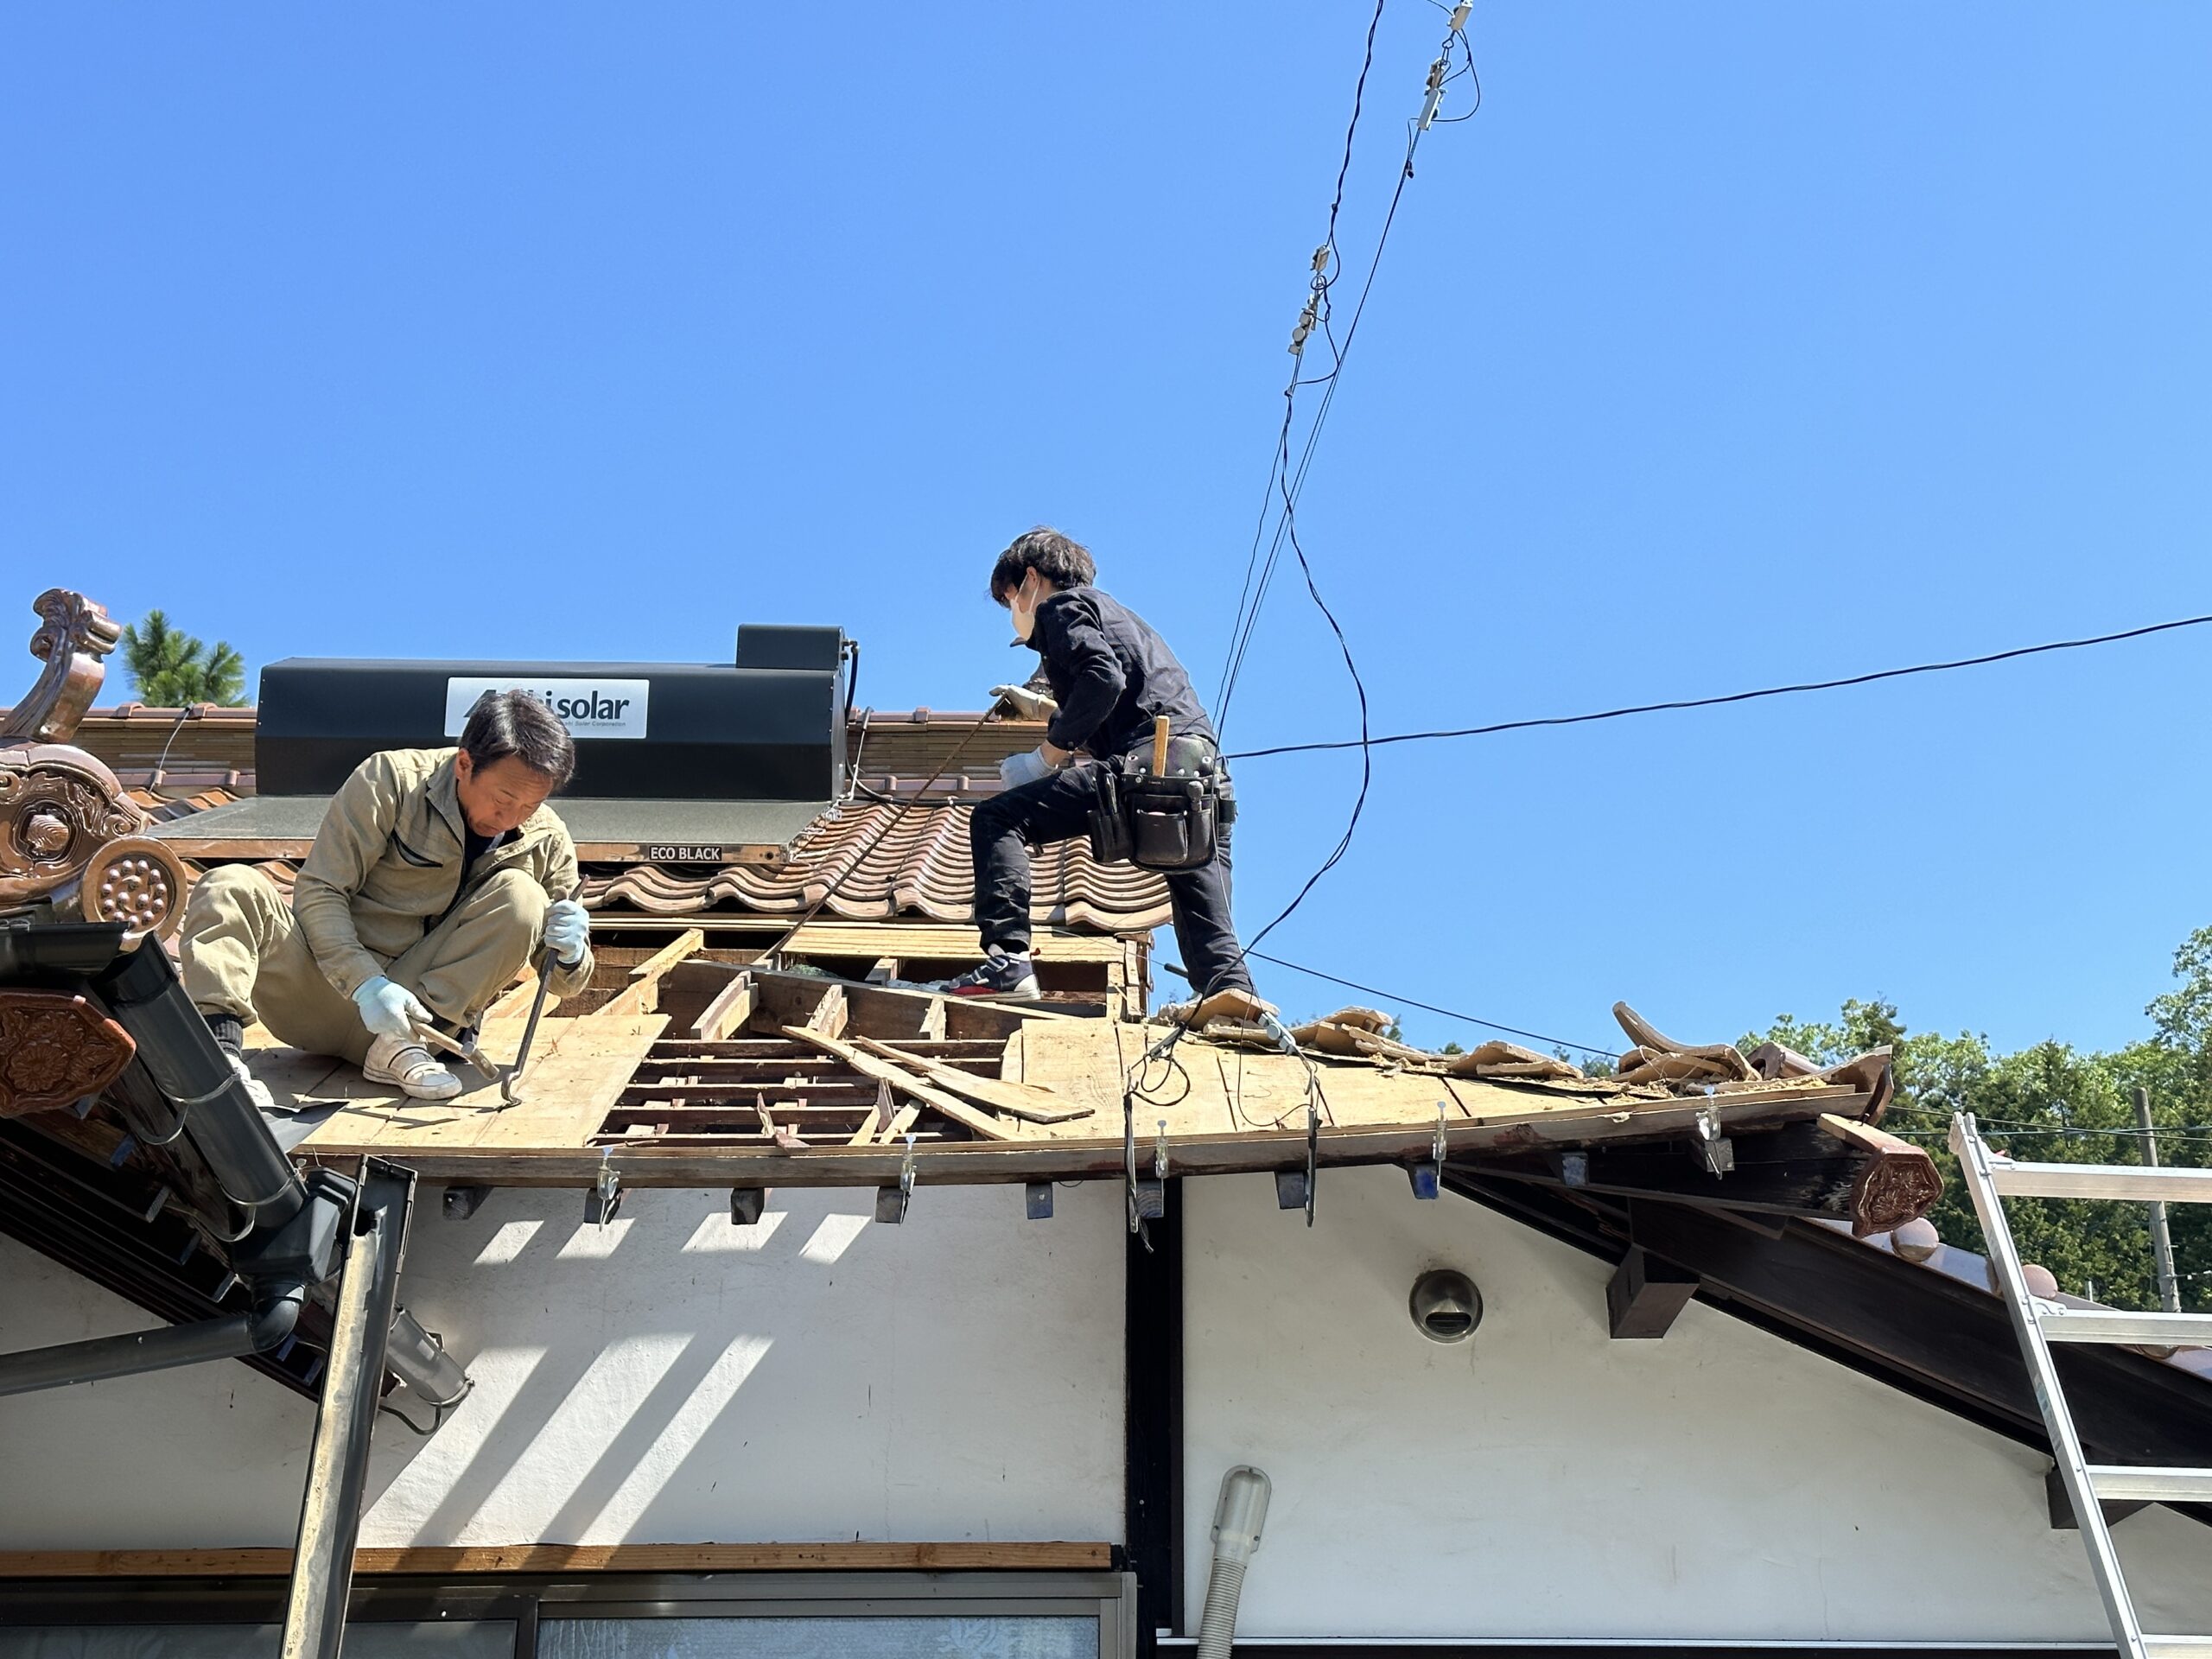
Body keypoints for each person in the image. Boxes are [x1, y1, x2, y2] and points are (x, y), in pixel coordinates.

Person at [178, 690, 595, 1103]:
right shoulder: (391, 780)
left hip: (423, 1032)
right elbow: (321, 890)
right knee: (229, 884)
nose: (511, 817)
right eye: (503, 799)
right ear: (465, 764)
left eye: (531, 804)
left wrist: (572, 951)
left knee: (524, 897)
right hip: (321, 989)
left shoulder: (547, 836)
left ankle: (398, 1045)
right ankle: (220, 1057)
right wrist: (366, 985)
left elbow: (562, 983)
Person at [938, 526, 1256, 1004]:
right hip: (1200, 771)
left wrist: (1046, 757)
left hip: (1145, 763)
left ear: (1029, 579)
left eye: (1009, 601)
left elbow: (1101, 678)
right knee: (1196, 875)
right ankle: (1230, 994)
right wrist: (1044, 708)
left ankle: (1007, 964)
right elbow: (1119, 693)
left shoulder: (1060, 607)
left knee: (997, 818)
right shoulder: (1125, 619)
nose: (1015, 616)